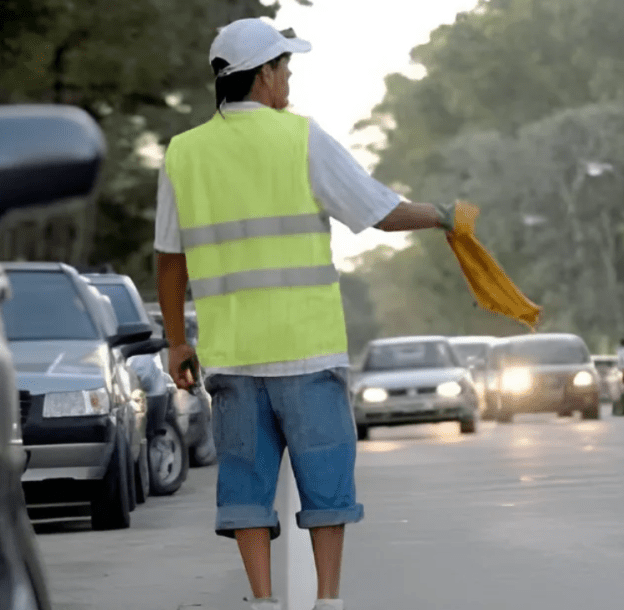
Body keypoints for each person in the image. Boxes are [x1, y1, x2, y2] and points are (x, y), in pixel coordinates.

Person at [153, 18, 467, 610]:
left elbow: (170, 262)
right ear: (264, 75)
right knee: (327, 481)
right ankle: (327, 600)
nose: (290, 78)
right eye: (285, 67)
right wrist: (442, 215)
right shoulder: (300, 137)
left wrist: (176, 343)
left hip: (232, 355)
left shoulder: (183, 153)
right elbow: (377, 210)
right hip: (306, 349)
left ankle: (262, 600)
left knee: (245, 485)